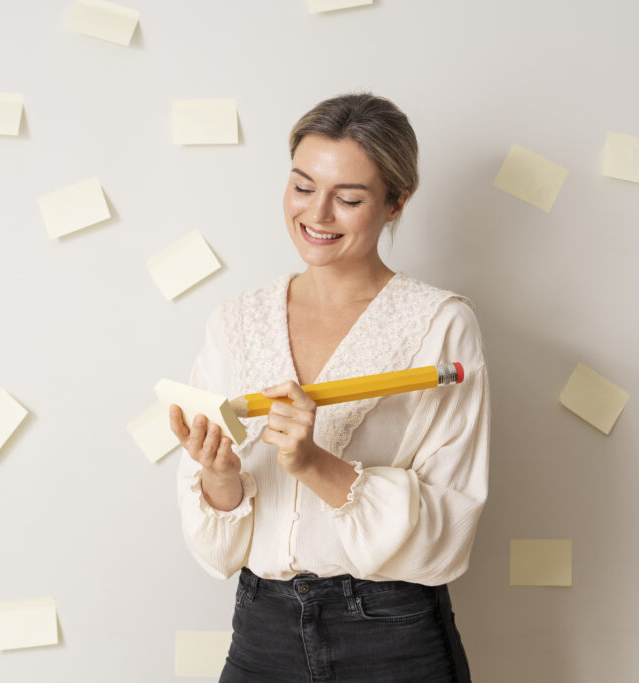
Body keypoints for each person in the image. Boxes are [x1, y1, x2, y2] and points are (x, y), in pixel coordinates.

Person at [169, 92, 490, 682]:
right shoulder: (235, 320)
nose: (317, 214)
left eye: (348, 198)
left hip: (392, 634)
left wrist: (314, 463)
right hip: (261, 628)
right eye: (302, 186)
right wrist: (219, 476)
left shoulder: (441, 325)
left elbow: (448, 535)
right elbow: (218, 550)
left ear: (396, 203)